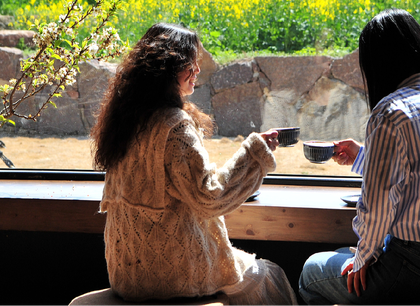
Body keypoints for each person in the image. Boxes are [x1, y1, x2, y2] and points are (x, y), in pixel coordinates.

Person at [91, 23, 298, 306]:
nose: (198, 70)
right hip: (175, 275)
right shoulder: (174, 126)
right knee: (268, 275)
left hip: (127, 275)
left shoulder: (125, 120)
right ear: (168, 68)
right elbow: (209, 197)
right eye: (190, 63)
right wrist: (255, 153)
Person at [298, 9, 420, 306]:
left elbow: (378, 206)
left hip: (416, 274)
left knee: (312, 272)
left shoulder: (390, 111)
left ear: (378, 63)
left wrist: (362, 258)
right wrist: (363, 158)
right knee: (350, 255)